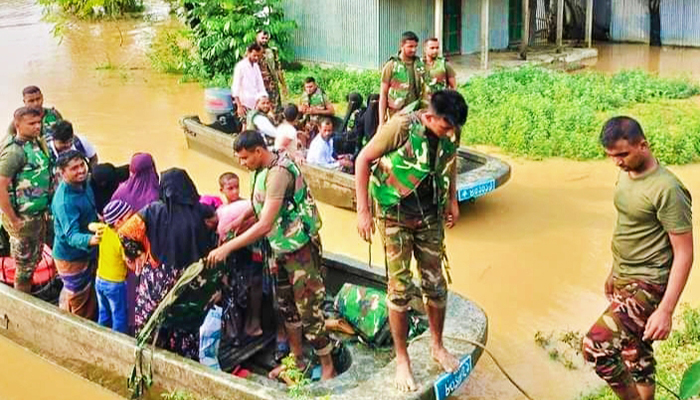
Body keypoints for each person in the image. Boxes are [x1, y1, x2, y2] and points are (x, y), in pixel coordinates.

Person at [355, 90, 468, 392]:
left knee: (436, 284)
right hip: (394, 214)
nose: (451, 133)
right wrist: (363, 211)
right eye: (446, 127)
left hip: (430, 215)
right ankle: (402, 358)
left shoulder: (450, 131)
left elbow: (450, 160)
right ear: (429, 117)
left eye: (454, 128)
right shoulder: (401, 127)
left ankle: (437, 345)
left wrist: (452, 199)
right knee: (400, 288)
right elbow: (363, 160)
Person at [206, 130, 336, 381]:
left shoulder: (278, 173)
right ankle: (297, 361)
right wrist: (241, 219)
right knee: (286, 306)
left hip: (299, 250)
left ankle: (327, 366)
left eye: (245, 158)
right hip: (279, 248)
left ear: (258, 151)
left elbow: (265, 223)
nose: (242, 163)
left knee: (309, 310)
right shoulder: (261, 169)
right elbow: (260, 206)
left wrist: (226, 248)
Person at [582, 117, 693, 400]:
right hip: (624, 276)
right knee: (636, 353)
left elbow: (684, 253)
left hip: (649, 283)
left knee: (596, 347)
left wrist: (665, 310)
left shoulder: (667, 189)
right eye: (611, 157)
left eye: (622, 154)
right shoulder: (626, 174)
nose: (617, 162)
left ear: (643, 145)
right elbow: (628, 229)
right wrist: (613, 271)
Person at [118, 168, 216, 359]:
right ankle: (185, 359)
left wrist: (136, 254)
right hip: (190, 276)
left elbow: (124, 232)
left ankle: (148, 355)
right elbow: (215, 222)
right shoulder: (200, 210)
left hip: (158, 276)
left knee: (153, 317)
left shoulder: (153, 210)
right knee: (184, 322)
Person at [0, 107, 53, 293]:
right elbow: (1, 187)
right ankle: (21, 303)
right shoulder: (14, 152)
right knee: (24, 267)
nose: (37, 127)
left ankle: (27, 293)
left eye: (39, 122)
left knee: (34, 259)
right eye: (32, 124)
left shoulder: (36, 144)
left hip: (37, 215)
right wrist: (13, 219)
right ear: (18, 125)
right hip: (22, 219)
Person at [52, 150, 102, 319]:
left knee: (88, 292)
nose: (81, 170)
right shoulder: (65, 202)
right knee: (79, 297)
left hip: (86, 251)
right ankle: (77, 329)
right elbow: (72, 236)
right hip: (71, 257)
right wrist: (92, 239)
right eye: (74, 168)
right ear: (62, 172)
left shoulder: (84, 184)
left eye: (82, 165)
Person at [94, 200, 134, 334]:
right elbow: (129, 262)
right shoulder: (121, 239)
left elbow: (91, 225)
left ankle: (101, 335)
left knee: (103, 312)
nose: (133, 219)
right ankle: (119, 342)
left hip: (100, 279)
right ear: (118, 223)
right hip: (115, 284)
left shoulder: (103, 229)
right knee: (119, 316)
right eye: (129, 218)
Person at [379, 31, 424, 125]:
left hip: (415, 114)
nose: (414, 50)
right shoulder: (391, 65)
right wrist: (381, 122)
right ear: (402, 45)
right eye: (410, 46)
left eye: (415, 46)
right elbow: (383, 94)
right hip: (396, 115)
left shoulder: (420, 64)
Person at [231, 43, 268, 119]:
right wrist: (239, 106)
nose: (256, 58)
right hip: (244, 104)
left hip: (255, 104)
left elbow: (260, 85)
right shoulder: (240, 66)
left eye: (258, 56)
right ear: (248, 53)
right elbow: (235, 88)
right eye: (254, 55)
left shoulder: (256, 66)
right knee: (245, 126)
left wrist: (264, 100)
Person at [256, 30, 287, 113]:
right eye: (262, 38)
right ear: (257, 37)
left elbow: (278, 69)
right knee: (258, 111)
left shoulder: (272, 52)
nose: (264, 40)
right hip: (258, 88)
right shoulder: (252, 52)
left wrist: (283, 85)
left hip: (272, 87)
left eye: (266, 38)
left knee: (276, 112)